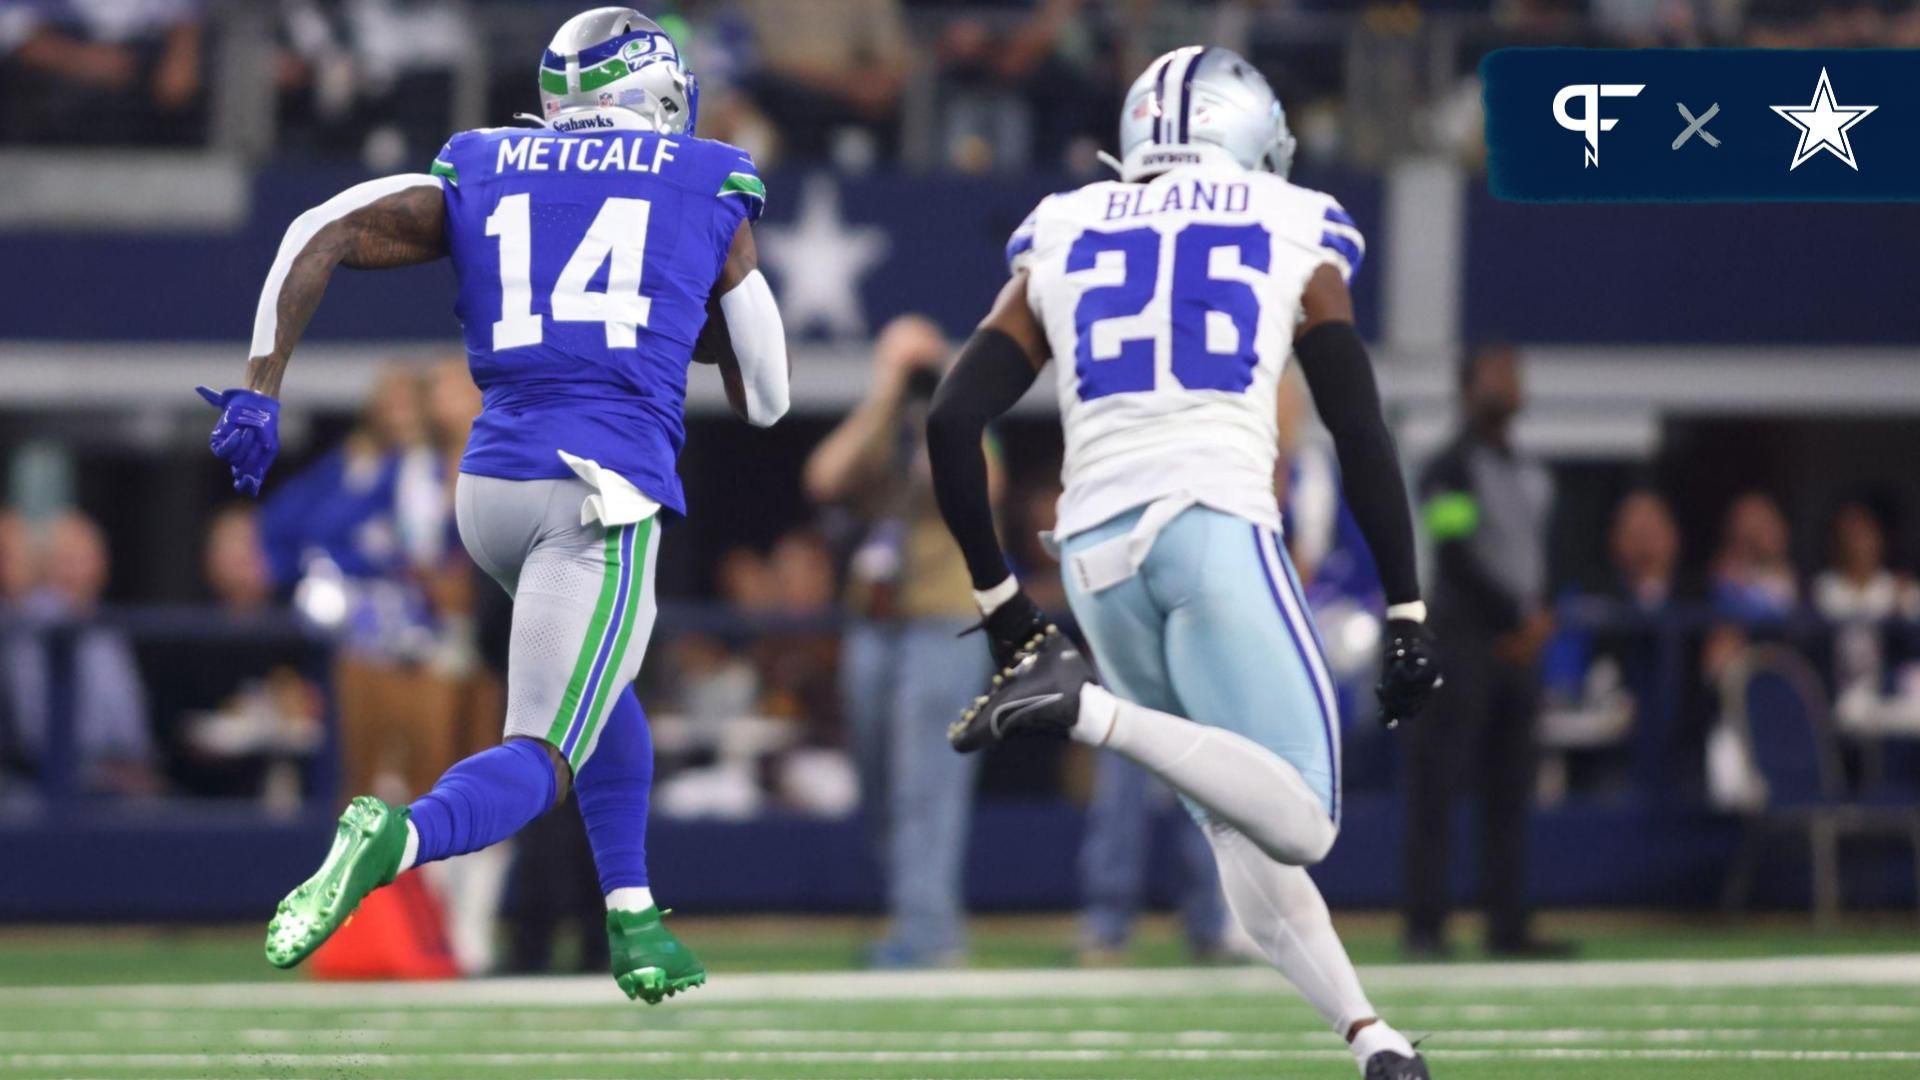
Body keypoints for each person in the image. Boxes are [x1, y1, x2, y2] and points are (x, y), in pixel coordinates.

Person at [197, 8, 789, 1004]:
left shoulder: (487, 161)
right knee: (544, 751)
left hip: (490, 488)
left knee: (603, 685)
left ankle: (635, 915)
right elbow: (769, 401)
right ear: (657, 97)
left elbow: (321, 229)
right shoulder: (705, 180)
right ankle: (400, 837)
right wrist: (688, 310)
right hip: (600, 492)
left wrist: (261, 386)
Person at [923, 47, 1438, 1079]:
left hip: (1094, 559)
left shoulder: (1065, 222)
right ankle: (1086, 711)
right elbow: (1357, 425)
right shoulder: (1293, 219)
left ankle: (1369, 1038)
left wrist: (1003, 608)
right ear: (1248, 131)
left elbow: (950, 419)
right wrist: (1407, 604)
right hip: (1212, 523)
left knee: (1235, 826)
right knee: (1305, 817)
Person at [803, 314, 997, 968]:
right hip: (877, 620)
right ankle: (917, 912)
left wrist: (943, 396)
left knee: (927, 781)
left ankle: (929, 931)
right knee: (882, 780)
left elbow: (983, 483)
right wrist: (885, 394)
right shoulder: (880, 421)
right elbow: (824, 478)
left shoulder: (960, 415)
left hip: (945, 615)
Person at [1405, 343, 1562, 961]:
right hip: (1464, 644)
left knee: (1510, 789)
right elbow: (1455, 555)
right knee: (1437, 788)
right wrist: (1516, 617)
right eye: (1496, 373)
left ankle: (1506, 922)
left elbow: (1534, 556)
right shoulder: (1447, 467)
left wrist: (1538, 613)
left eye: (1513, 372)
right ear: (1468, 388)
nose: (1510, 382)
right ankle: (1425, 926)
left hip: (1516, 654)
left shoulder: (1530, 472)